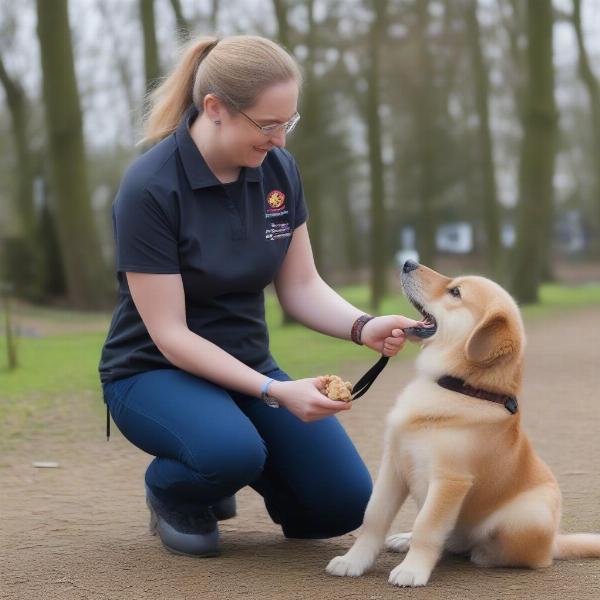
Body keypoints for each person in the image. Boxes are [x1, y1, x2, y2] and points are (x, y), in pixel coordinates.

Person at [98, 34, 421, 558]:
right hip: (152, 371)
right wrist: (276, 393)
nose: (281, 140)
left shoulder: (278, 171)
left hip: (248, 367)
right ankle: (175, 489)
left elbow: (300, 286)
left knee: (342, 507)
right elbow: (171, 335)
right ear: (215, 109)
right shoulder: (150, 188)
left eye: (287, 123)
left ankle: (222, 459)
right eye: (268, 125)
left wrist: (363, 326)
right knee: (230, 452)